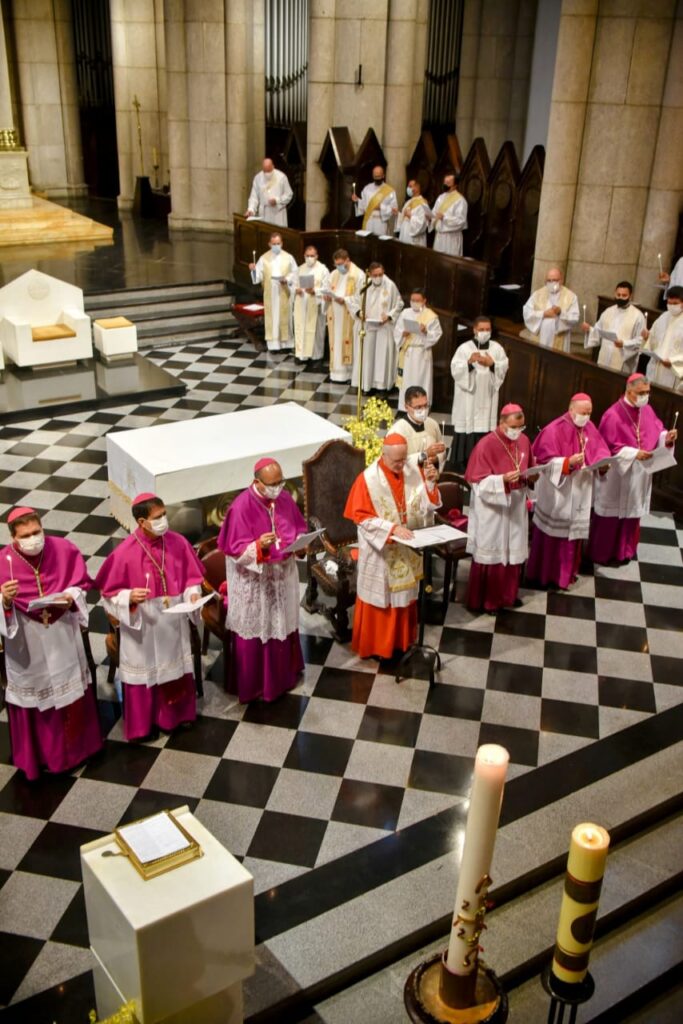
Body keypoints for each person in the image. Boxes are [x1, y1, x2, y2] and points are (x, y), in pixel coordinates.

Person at [0, 507, 102, 780]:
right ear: (13, 538)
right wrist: (4, 600)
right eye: (26, 536)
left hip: (62, 635)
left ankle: (80, 749)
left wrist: (70, 595)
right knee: (39, 693)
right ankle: (42, 756)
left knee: (70, 689)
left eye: (37, 532)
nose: (33, 539)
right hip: (27, 642)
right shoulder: (2, 563)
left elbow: (82, 583)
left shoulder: (63, 549)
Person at [95, 494, 205, 741]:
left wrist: (193, 593)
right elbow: (108, 595)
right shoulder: (124, 552)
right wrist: (129, 597)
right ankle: (143, 725)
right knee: (145, 672)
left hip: (172, 622)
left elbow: (191, 578)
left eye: (164, 514)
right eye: (158, 517)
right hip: (143, 626)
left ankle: (176, 716)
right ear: (142, 522)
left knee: (174, 666)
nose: (164, 520)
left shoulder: (178, 542)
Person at [217, 458, 307, 701]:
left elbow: (298, 528)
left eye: (280, 482)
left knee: (281, 623)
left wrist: (301, 545)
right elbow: (234, 552)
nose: (278, 488)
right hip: (255, 582)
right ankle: (256, 685)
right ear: (257, 482)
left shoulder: (284, 498)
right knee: (260, 627)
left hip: (282, 575)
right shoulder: (240, 507)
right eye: (272, 484)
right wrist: (258, 546)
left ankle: (284, 676)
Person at [344, 434, 440, 659]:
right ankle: (378, 647)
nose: (401, 464)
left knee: (404, 597)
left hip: (407, 544)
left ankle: (402, 641)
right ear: (383, 454)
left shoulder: (410, 469)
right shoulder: (368, 480)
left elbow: (424, 505)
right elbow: (362, 519)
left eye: (404, 459)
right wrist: (391, 529)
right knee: (382, 598)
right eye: (396, 461)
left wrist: (430, 483)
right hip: (380, 550)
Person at [585, 374, 677, 566]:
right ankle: (602, 553)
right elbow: (604, 448)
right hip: (617, 475)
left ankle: (625, 551)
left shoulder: (647, 410)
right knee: (610, 517)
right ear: (628, 391)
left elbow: (657, 432)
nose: (645, 396)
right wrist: (634, 454)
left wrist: (666, 438)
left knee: (631, 516)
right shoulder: (613, 415)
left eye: (647, 392)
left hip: (638, 475)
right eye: (641, 393)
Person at [526, 394, 611, 590]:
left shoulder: (589, 427)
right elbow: (543, 462)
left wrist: (603, 465)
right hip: (559, 493)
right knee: (553, 537)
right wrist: (567, 463)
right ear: (571, 409)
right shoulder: (553, 429)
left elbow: (601, 450)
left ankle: (567, 574)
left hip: (581, 490)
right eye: (583, 412)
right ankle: (547, 575)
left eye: (589, 413)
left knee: (573, 536)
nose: (586, 417)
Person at [464, 404, 534, 613]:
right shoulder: (486, 445)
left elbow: (529, 467)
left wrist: (532, 477)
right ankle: (488, 600)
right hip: (492, 509)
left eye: (521, 427)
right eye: (513, 427)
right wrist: (501, 480)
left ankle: (508, 596)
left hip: (515, 504)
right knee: (493, 552)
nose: (517, 432)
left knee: (512, 550)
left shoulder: (524, 441)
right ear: (501, 423)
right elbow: (476, 483)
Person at [449, 315, 509, 471]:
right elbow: (455, 370)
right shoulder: (464, 348)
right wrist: (469, 363)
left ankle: (484, 462)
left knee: (485, 427)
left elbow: (504, 367)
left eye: (488, 329)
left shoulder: (497, 348)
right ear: (474, 330)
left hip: (487, 397)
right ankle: (464, 461)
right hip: (468, 398)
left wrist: (492, 364)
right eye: (481, 329)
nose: (485, 332)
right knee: (468, 426)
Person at [348, 262, 403, 393]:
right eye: (375, 275)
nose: (378, 278)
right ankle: (366, 385)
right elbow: (353, 301)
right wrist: (359, 313)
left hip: (384, 327)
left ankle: (381, 387)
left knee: (381, 357)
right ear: (370, 274)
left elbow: (399, 304)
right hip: (368, 326)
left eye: (380, 274)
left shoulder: (390, 285)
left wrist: (389, 316)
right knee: (367, 357)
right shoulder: (364, 284)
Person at [582, 281, 646, 375]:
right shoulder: (608, 311)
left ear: (630, 296)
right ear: (614, 293)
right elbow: (598, 331)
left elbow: (641, 341)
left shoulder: (638, 316)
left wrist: (624, 343)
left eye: (624, 295)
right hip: (604, 359)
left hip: (623, 363)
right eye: (618, 295)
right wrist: (589, 330)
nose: (620, 298)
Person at [393, 288, 442, 410]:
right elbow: (397, 330)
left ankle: (421, 406)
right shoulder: (405, 313)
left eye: (417, 300)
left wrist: (426, 332)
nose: (414, 302)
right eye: (412, 300)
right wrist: (403, 334)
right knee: (407, 381)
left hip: (422, 353)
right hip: (408, 352)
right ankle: (405, 407)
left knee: (421, 380)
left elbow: (437, 334)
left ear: (424, 300)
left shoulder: (430, 316)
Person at [249, 232, 297, 352]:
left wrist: (287, 279)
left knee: (285, 318)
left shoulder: (289, 257)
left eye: (278, 243)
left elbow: (295, 273)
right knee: (273, 319)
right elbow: (258, 277)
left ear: (282, 243)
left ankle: (286, 345)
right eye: (274, 244)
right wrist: (253, 270)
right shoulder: (263, 258)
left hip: (284, 291)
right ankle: (274, 346)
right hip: (271, 294)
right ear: (269, 244)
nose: (276, 246)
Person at [325, 248, 364, 383]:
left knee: (347, 343)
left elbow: (360, 297)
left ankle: (348, 375)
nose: (339, 267)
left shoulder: (358, 275)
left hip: (349, 316)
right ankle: (335, 373)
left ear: (348, 260)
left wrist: (346, 300)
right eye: (336, 264)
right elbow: (326, 288)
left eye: (341, 264)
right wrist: (326, 297)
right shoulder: (334, 274)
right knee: (336, 343)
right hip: (335, 316)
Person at [522, 267, 579, 353]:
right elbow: (526, 312)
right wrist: (543, 314)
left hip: (560, 339)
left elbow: (574, 317)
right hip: (540, 338)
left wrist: (560, 312)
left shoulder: (571, 297)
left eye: (555, 280)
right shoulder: (538, 294)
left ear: (561, 280)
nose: (552, 283)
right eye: (549, 280)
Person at [391, 385, 447, 472]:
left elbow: (442, 451)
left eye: (425, 405)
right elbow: (396, 464)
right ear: (406, 407)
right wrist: (425, 455)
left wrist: (436, 458)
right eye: (418, 407)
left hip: (430, 476)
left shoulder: (432, 424)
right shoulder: (397, 431)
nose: (423, 410)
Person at [292, 244, 330, 363]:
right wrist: (296, 289)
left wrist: (315, 291)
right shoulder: (299, 269)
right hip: (302, 306)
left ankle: (316, 357)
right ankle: (302, 355)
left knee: (316, 332)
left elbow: (327, 288)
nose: (309, 258)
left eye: (312, 256)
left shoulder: (323, 270)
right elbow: (293, 284)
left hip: (316, 305)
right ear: (304, 256)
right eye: (307, 256)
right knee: (301, 330)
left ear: (317, 256)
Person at [642, 286, 683, 391]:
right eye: (669, 303)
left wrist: (672, 361)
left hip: (673, 371)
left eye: (675, 303)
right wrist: (647, 337)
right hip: (656, 366)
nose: (672, 306)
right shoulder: (663, 317)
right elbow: (653, 340)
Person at [245, 158, 293, 226]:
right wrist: (251, 209)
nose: (267, 174)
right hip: (264, 214)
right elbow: (254, 197)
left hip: (278, 214)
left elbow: (289, 194)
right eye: (265, 171)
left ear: (273, 166)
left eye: (269, 171)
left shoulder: (281, 177)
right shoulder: (258, 178)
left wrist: (277, 200)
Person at [352, 165, 397, 237]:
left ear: (383, 176)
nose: (377, 178)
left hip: (381, 224)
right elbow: (363, 206)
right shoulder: (367, 189)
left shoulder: (390, 191)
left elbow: (394, 209)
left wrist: (381, 207)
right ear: (373, 176)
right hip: (369, 222)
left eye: (379, 176)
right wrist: (357, 200)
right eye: (375, 176)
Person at [430, 172, 468, 256]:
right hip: (439, 236)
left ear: (455, 185)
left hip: (451, 238)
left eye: (448, 183)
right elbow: (434, 213)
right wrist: (430, 217)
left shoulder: (460, 200)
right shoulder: (440, 198)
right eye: (444, 182)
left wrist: (444, 218)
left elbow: (461, 221)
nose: (445, 185)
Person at [395, 179, 431, 246]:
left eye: (410, 186)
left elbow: (422, 223)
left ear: (417, 187)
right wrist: (398, 214)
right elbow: (404, 218)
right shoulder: (408, 202)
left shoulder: (423, 203)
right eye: (408, 186)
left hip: (414, 236)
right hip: (404, 232)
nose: (408, 188)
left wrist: (411, 216)